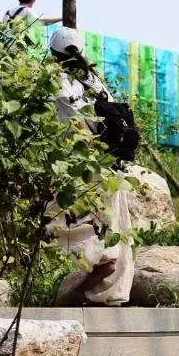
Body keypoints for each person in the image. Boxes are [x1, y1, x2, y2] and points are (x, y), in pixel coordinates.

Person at [48, 27, 133, 305]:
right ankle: (108, 289)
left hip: (84, 162)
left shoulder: (60, 83)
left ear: (53, 54)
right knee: (110, 220)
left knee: (58, 217)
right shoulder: (94, 80)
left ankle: (101, 261)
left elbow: (78, 128)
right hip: (111, 162)